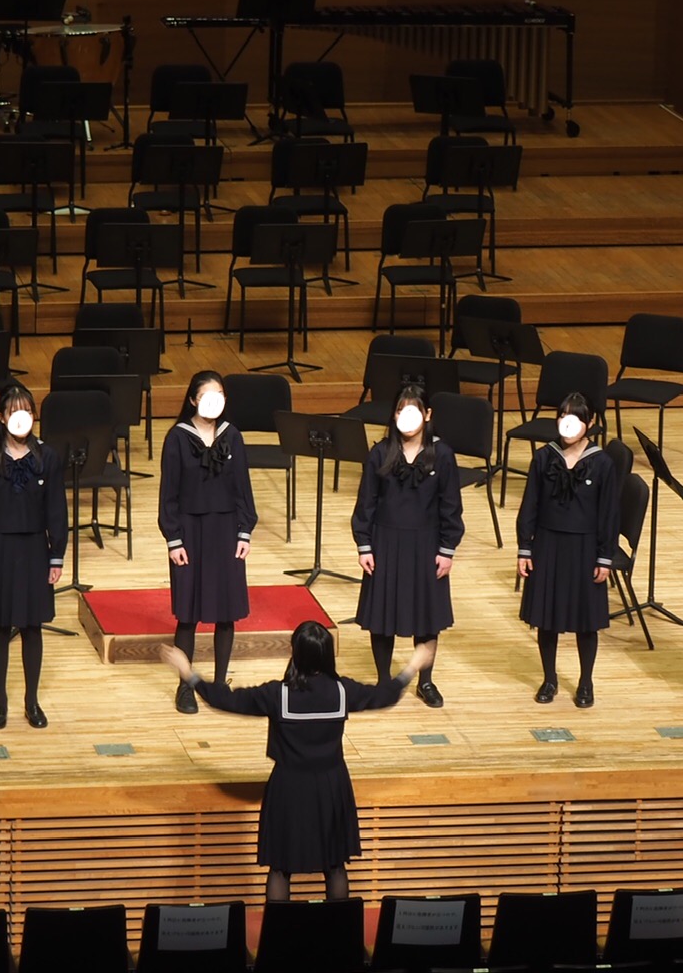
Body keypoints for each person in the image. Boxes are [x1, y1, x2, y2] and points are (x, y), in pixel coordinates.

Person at [160, 620, 428, 902]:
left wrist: (189, 673)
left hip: (288, 787)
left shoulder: (277, 695)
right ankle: (340, 927)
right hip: (332, 786)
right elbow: (384, 696)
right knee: (335, 865)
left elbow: (226, 700)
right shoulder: (342, 692)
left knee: (280, 867)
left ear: (295, 653)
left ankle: (278, 929)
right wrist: (413, 664)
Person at [351, 383, 461, 707]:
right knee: (382, 616)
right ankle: (383, 681)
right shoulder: (380, 453)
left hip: (426, 544)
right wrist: (364, 545)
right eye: (401, 410)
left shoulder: (443, 455)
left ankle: (425, 682)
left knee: (427, 617)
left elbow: (451, 506)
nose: (406, 417)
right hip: (385, 542)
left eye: (413, 410)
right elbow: (366, 503)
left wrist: (446, 550)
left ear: (427, 415)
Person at [0, 383, 65, 730]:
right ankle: (0, 703)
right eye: (14, 411)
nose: (22, 417)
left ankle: (31, 702)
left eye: (27, 411)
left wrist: (56, 555)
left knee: (32, 626)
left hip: (34, 549)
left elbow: (57, 509)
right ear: (0, 417)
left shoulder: (47, 457)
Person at [159, 370, 257, 712]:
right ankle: (185, 686)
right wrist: (174, 539)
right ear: (192, 400)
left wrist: (244, 532)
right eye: (206, 395)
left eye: (220, 395)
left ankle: (219, 684)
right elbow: (168, 495)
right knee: (188, 615)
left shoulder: (233, 436)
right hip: (189, 531)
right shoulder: (177, 438)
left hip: (226, 531)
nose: (214, 402)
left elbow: (243, 488)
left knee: (225, 613)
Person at [516, 393, 621, 707]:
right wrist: (524, 548)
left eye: (575, 418)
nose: (567, 423)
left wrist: (605, 556)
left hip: (585, 549)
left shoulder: (602, 463)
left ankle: (586, 682)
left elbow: (609, 514)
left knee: (585, 622)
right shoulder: (543, 457)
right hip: (547, 544)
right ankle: (549, 679)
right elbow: (529, 505)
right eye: (562, 416)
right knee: (546, 619)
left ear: (590, 423)